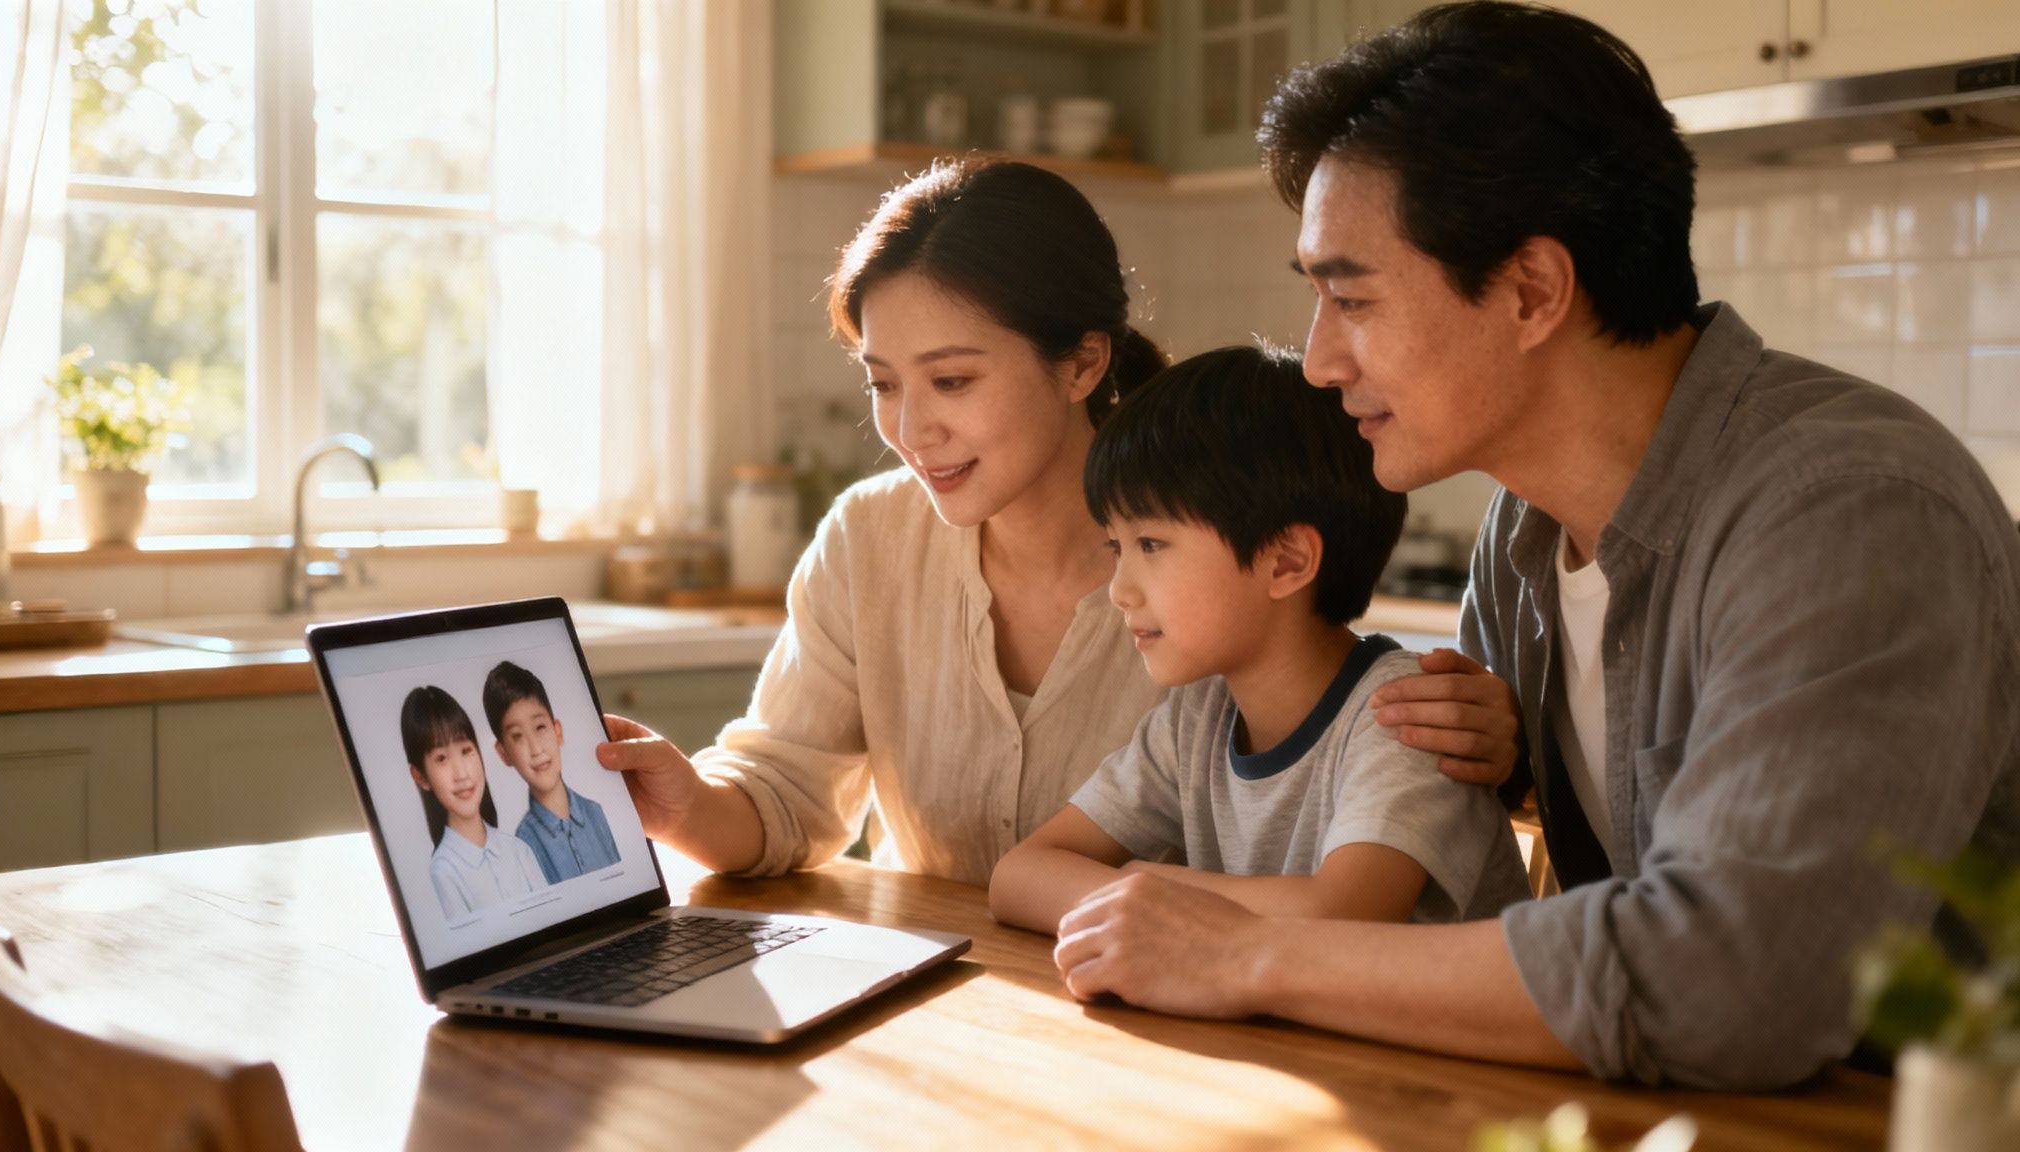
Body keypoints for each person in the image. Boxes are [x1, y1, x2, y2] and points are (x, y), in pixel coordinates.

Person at [1046, 0, 2020, 1090]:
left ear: (1530, 290)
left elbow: (1732, 981)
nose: (1318, 362)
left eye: (1348, 298)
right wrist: (1505, 767)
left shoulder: (1846, 509)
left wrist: (1249, 955)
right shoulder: (1528, 526)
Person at [593, 158, 1526, 885]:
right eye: (883, 384)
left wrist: (1493, 740)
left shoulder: (1207, 556)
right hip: (955, 1012)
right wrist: (685, 805)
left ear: (1082, 364)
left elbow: (1322, 720)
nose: (912, 431)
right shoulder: (869, 539)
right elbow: (786, 796)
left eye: (952, 380)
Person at [987, 346, 1531, 935]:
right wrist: (1151, 891)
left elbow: (1340, 917)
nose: (1120, 590)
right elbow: (1018, 877)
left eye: (1150, 544)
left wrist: (1140, 885)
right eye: (1116, 547)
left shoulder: (1402, 714)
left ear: (1286, 561)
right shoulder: (1197, 720)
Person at [401, 684, 546, 918]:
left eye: (466, 751)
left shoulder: (519, 850)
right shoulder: (443, 872)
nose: (462, 774)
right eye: (441, 758)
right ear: (420, 777)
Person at [482, 660, 621, 884]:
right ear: (504, 753)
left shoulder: (596, 814)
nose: (536, 749)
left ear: (558, 732)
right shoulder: (523, 847)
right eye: (517, 736)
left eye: (540, 728)